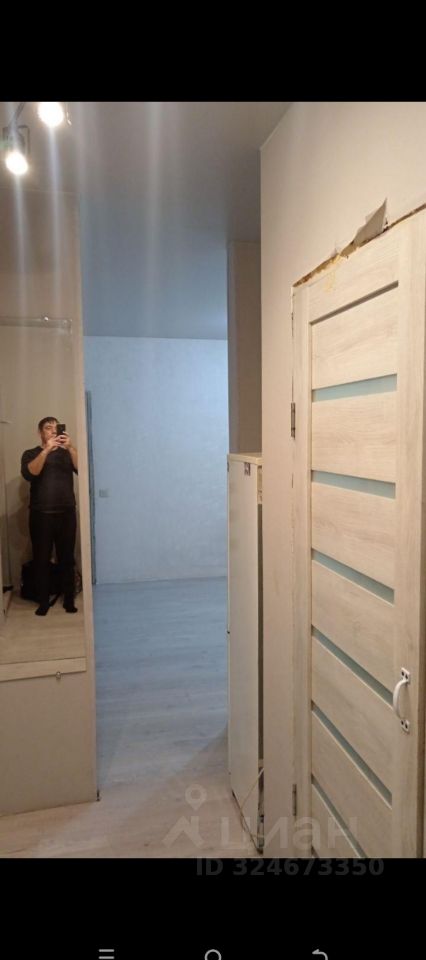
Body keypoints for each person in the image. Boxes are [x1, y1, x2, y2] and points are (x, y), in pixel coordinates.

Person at [21, 417, 78, 616]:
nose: (53, 431)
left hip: (67, 514)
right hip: (41, 515)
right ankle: (43, 601)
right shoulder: (31, 453)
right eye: (48, 428)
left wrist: (71, 448)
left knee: (67, 558)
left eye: (56, 428)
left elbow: (83, 470)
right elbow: (31, 473)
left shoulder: (67, 453)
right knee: (41, 559)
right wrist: (46, 450)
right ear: (40, 433)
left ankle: (69, 600)